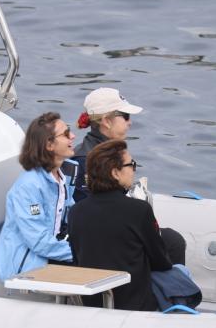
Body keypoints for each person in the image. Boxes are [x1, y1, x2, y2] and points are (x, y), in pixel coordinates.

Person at [73, 87, 187, 265]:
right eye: (125, 116)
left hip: (109, 229)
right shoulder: (86, 160)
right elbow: (94, 212)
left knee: (168, 239)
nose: (130, 122)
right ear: (106, 121)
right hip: (102, 238)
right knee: (172, 242)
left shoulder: (91, 152)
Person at [68, 139, 173, 311]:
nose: (133, 170)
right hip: (135, 304)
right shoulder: (139, 210)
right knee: (181, 273)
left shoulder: (75, 212)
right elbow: (161, 263)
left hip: (92, 302)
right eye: (131, 165)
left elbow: (78, 260)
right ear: (116, 173)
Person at [0, 112, 77, 281]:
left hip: (52, 254)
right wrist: (81, 252)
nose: (73, 136)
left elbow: (70, 220)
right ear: (49, 145)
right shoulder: (28, 187)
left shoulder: (64, 176)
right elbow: (38, 241)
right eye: (66, 133)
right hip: (27, 268)